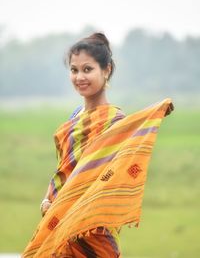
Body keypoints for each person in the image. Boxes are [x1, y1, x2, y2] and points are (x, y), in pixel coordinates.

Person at [23, 32, 174, 258]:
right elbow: (64, 168)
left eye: (87, 69)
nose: (79, 77)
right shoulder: (75, 116)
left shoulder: (115, 121)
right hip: (58, 217)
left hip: (93, 227)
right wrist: (47, 200)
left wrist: (156, 113)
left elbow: (116, 173)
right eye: (74, 70)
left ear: (106, 71)